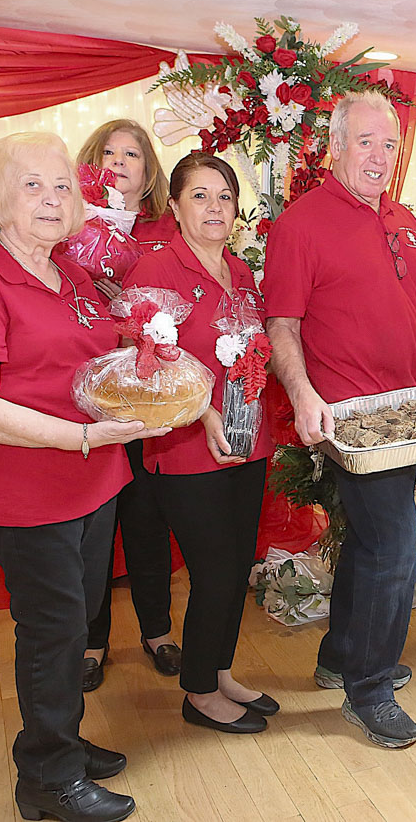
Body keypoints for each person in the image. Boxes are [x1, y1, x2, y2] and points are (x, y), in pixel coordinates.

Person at [0, 132, 170, 822]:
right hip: (26, 491)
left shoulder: (72, 274)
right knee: (52, 631)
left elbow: (96, 360)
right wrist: (86, 436)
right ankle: (48, 779)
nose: (53, 199)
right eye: (33, 185)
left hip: (89, 483)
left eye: (63, 186)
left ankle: (61, 735)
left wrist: (149, 348)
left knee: (75, 621)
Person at [264, 90, 416, 748]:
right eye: (366, 142)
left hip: (404, 417)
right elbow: (281, 325)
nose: (378, 157)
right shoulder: (301, 224)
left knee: (375, 542)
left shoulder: (402, 218)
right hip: (350, 418)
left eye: (389, 145)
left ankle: (341, 655)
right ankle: (368, 689)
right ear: (335, 146)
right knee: (396, 546)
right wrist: (303, 394)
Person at [122, 153, 277, 732]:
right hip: (186, 449)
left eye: (225, 197)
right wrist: (205, 409)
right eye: (200, 196)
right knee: (212, 571)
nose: (215, 208)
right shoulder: (155, 271)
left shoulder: (241, 273)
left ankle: (218, 671)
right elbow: (143, 366)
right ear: (176, 208)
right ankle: (197, 692)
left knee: (237, 567)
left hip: (247, 441)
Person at [74, 119, 181, 691]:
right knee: (95, 527)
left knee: (146, 518)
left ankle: (158, 630)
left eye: (132, 153)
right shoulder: (73, 226)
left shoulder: (168, 227)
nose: (119, 162)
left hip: (149, 400)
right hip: (93, 401)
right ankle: (92, 640)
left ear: (148, 168)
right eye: (108, 153)